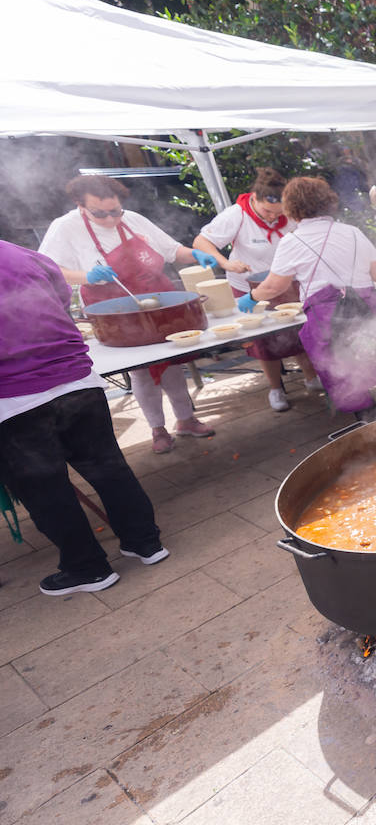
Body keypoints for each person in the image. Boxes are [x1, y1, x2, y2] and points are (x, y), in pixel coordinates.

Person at [0, 241, 168, 596]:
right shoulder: (16, 252)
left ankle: (87, 569)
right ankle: (146, 543)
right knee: (108, 466)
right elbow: (60, 296)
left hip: (14, 397)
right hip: (77, 378)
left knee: (46, 489)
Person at [39, 175, 218, 454]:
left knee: (171, 362)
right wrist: (86, 276)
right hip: (113, 309)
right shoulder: (64, 228)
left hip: (158, 301)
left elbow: (172, 251)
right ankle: (158, 429)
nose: (111, 219)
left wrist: (196, 255)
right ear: (80, 205)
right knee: (141, 371)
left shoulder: (133, 220)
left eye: (116, 211)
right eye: (101, 214)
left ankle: (186, 419)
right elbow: (48, 270)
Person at [237, 177, 376, 421]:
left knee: (348, 376)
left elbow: (274, 286)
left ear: (292, 208)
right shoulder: (352, 232)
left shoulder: (292, 241)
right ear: (328, 202)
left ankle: (371, 429)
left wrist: (250, 297)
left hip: (329, 318)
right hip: (369, 309)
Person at [193, 167, 322, 412]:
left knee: (301, 333)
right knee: (265, 341)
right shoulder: (236, 215)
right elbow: (201, 241)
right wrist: (226, 263)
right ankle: (276, 388)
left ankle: (312, 378)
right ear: (254, 197)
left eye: (278, 212)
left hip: (287, 285)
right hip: (249, 289)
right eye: (267, 211)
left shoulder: (292, 213)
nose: (273, 217)